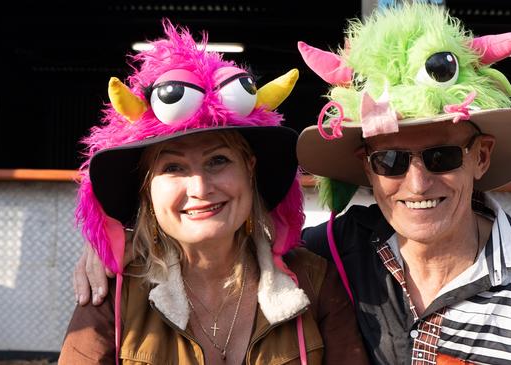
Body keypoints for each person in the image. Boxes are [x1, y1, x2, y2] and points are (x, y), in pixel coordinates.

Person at [72, 5, 511, 365]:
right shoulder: (329, 252)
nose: (417, 182)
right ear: (366, 166)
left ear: (481, 157)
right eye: (392, 159)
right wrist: (110, 247)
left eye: (443, 155)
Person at [59, 21, 368, 365]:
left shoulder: (315, 280)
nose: (200, 188)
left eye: (218, 161)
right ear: (146, 189)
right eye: (173, 168)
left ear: (249, 168)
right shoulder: (114, 292)